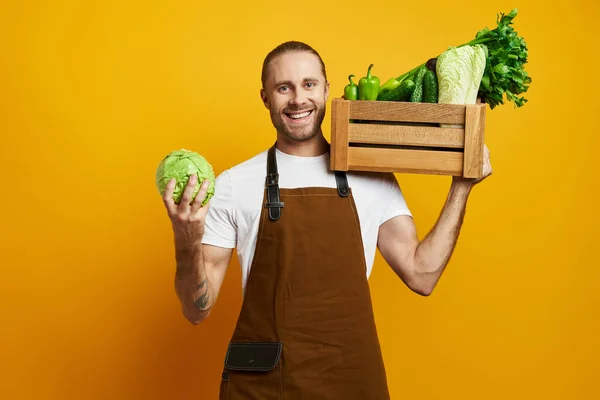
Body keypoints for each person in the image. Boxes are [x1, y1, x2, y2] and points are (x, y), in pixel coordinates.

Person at [161, 41, 492, 399]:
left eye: (308, 84)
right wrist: (187, 237)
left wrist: (461, 186)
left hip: (351, 381)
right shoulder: (234, 184)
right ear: (265, 97)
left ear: (327, 90)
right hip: (265, 387)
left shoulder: (373, 176)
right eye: (283, 88)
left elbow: (422, 274)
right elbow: (197, 310)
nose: (298, 99)